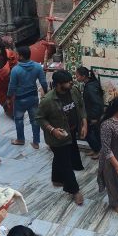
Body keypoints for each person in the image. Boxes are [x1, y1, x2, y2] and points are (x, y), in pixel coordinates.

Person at [36, 70, 87, 206]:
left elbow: (81, 105)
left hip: (72, 132)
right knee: (66, 163)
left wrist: (84, 123)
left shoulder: (73, 91)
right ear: (58, 84)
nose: (71, 83)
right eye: (67, 82)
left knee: (61, 157)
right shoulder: (48, 100)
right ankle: (74, 190)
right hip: (57, 138)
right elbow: (39, 118)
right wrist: (52, 130)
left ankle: (56, 179)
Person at [8, 46, 48, 149]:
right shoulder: (37, 66)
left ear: (21, 56)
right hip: (33, 97)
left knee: (19, 120)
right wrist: (46, 92)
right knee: (35, 120)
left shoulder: (15, 70)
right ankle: (36, 142)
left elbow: (12, 86)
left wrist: (8, 97)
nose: (15, 56)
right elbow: (43, 82)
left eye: (17, 54)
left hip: (20, 99)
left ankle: (20, 139)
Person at [76, 66, 104, 159]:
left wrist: (94, 117)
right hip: (91, 113)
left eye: (77, 76)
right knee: (94, 133)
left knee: (89, 133)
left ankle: (98, 151)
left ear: (83, 76)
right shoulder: (91, 84)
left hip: (93, 115)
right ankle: (95, 149)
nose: (76, 78)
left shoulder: (90, 87)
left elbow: (97, 103)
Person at [0, 36, 18, 117]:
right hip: (12, 76)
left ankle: (10, 112)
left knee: (3, 94)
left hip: (0, 79)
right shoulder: (10, 52)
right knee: (13, 92)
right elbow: (16, 63)